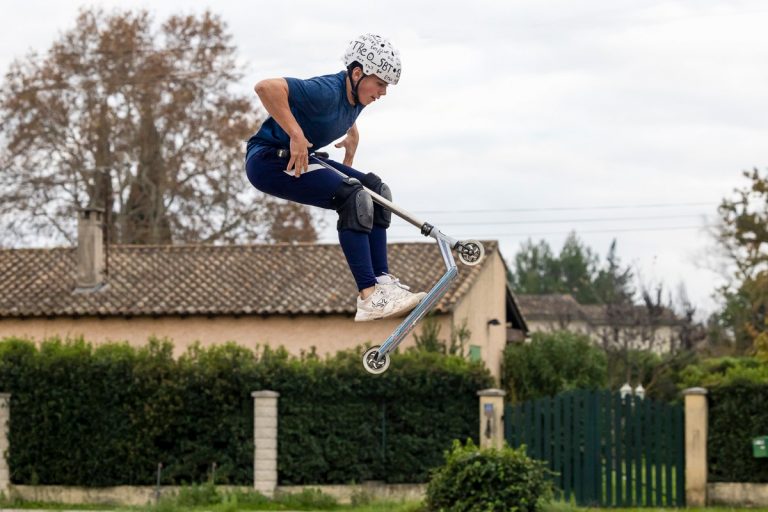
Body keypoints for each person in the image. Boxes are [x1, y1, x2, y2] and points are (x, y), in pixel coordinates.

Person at [245, 33, 426, 322]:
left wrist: (352, 133)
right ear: (357, 73)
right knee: (353, 197)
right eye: (380, 83)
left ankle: (382, 285)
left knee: (376, 190)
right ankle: (368, 296)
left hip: (300, 159)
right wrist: (295, 134)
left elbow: (342, 113)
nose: (383, 92)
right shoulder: (324, 91)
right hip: (268, 161)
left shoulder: (358, 96)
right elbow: (265, 87)